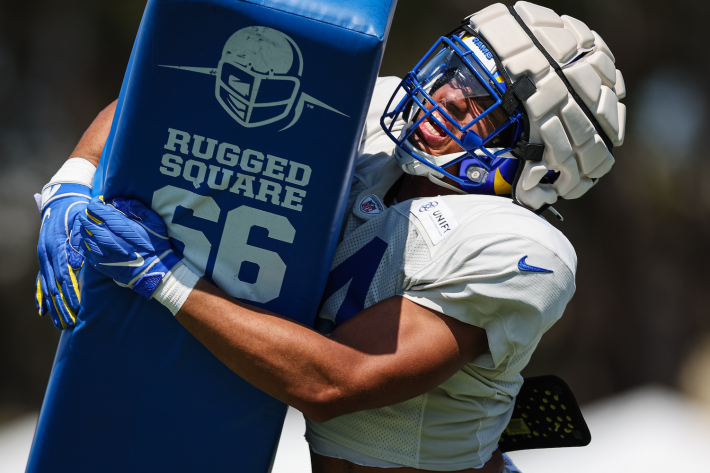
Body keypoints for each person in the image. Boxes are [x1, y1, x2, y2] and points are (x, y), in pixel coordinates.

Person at [35, 2, 626, 472]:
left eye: (478, 99)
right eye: (453, 72)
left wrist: (161, 277)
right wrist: (72, 182)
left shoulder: (517, 246)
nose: (443, 95)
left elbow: (335, 380)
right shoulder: (372, 124)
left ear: (534, 158)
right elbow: (174, 104)